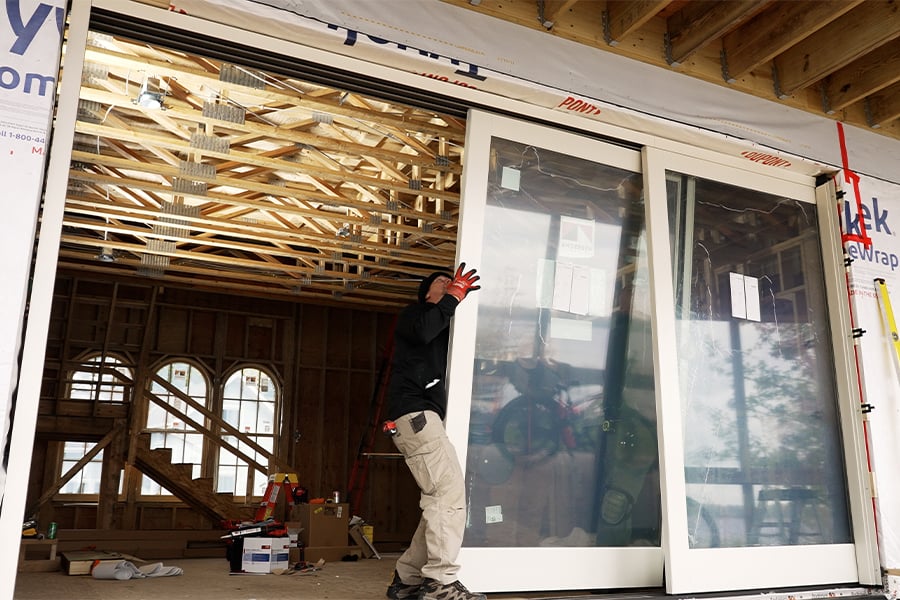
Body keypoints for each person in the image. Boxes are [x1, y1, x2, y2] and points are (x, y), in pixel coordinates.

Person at [385, 264, 484, 600]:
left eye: (453, 282)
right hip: (416, 416)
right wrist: (454, 296)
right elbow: (427, 328)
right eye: (443, 282)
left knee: (438, 500)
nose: (452, 284)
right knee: (448, 498)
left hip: (421, 418)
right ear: (427, 293)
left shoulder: (444, 328)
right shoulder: (415, 315)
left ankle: (408, 580)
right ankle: (440, 583)